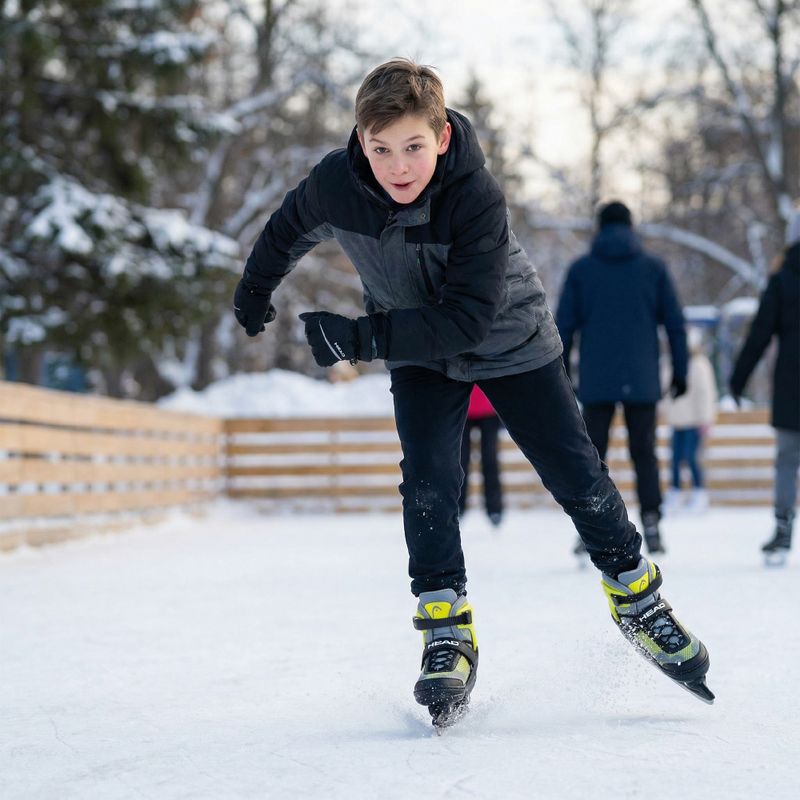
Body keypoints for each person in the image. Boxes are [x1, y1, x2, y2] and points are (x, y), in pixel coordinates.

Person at [232, 59, 713, 724]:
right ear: (359, 142)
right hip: (417, 350)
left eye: (413, 148)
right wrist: (256, 287)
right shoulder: (337, 184)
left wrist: (362, 338)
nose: (397, 167)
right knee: (428, 482)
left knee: (576, 473)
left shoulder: (473, 196)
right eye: (380, 149)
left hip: (508, 341)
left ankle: (639, 598)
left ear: (442, 139)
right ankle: (445, 628)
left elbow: (467, 320)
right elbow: (289, 225)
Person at [555, 201, 688, 555]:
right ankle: (653, 523)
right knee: (644, 452)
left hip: (597, 379)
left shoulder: (582, 270)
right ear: (631, 227)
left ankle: (591, 529)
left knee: (592, 455)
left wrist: (562, 374)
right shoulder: (653, 268)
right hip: (642, 377)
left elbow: (562, 327)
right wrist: (681, 370)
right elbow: (675, 324)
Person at [730, 209, 800, 563]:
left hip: (792, 380)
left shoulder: (783, 279)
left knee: (787, 460)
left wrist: (738, 379)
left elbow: (759, 335)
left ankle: (783, 531)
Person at [660, 326, 718, 514]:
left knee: (692, 457)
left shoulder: (699, 364)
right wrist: (664, 410)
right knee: (675, 459)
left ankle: (699, 493)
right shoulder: (670, 362)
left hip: (694, 421)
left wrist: (705, 419)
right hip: (677, 421)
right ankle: (675, 493)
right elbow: (665, 389)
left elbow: (706, 393)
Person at [458, 385, 503, 526]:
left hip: (489, 408)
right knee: (460, 461)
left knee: (490, 459)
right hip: (463, 407)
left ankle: (494, 509)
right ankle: (458, 507)